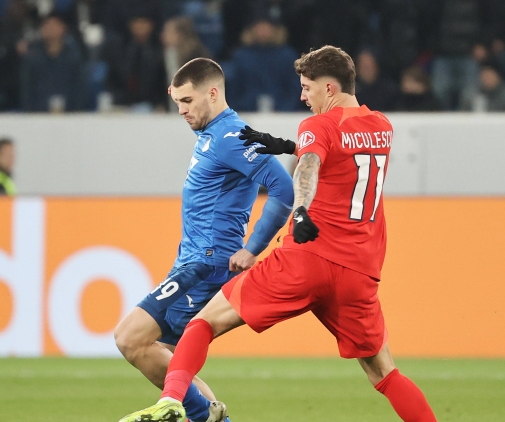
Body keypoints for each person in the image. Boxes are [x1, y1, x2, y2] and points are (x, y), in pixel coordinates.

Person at [117, 45, 437, 422]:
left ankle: (171, 402)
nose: (303, 96)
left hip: (308, 257)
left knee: (204, 323)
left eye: (307, 88)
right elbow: (344, 153)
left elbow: (309, 165)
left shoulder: (315, 126)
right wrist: (287, 146)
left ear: (329, 88)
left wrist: (300, 209)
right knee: (385, 374)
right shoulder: (381, 127)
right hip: (359, 271)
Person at [114, 57, 294, 422]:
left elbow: (283, 188)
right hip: (192, 261)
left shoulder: (231, 137)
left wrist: (252, 248)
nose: (181, 110)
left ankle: (192, 413)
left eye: (187, 101)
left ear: (213, 94)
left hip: (205, 265)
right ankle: (211, 417)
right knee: (168, 357)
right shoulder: (211, 135)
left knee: (129, 337)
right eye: (176, 101)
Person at [19, 12, 86, 112]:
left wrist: (75, 112)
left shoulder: (73, 57)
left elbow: (79, 88)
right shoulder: (32, 57)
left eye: (54, 25)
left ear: (63, 28)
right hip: (38, 113)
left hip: (69, 113)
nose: (50, 29)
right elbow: (27, 88)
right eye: (47, 25)